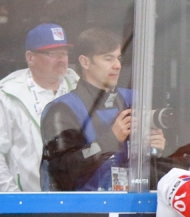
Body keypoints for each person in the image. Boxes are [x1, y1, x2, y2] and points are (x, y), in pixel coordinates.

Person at [39, 28, 165, 191]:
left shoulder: (133, 100)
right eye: (108, 58)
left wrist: (157, 148)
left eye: (119, 58)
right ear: (85, 62)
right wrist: (110, 140)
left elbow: (152, 168)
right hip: (86, 211)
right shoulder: (62, 109)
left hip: (132, 205)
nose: (118, 65)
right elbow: (63, 169)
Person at [0, 24, 78, 192]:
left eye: (64, 53)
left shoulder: (81, 89)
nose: (61, 59)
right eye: (52, 54)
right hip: (27, 204)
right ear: (30, 57)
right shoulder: (8, 95)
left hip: (77, 201)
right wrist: (13, 198)